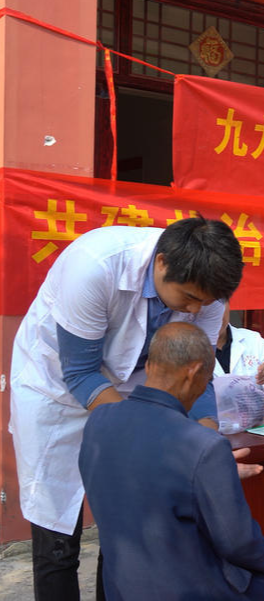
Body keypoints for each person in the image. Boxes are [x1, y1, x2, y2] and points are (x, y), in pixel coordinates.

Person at [10, 217, 244, 601]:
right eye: (188, 297)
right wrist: (157, 442)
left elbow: (196, 372)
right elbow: (82, 374)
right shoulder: (95, 265)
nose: (196, 308)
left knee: (126, 527)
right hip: (58, 391)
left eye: (206, 302)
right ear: (162, 263)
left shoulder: (206, 295)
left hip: (136, 385)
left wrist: (205, 447)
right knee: (57, 539)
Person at [79, 323, 264, 600]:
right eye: (208, 381)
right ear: (194, 373)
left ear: (150, 366)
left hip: (121, 587)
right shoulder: (203, 446)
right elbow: (237, 542)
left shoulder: (98, 421)